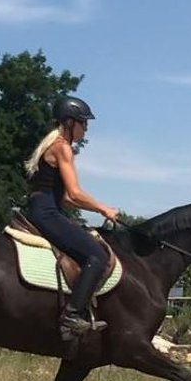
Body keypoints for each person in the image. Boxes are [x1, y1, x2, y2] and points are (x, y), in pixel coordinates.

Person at [24, 95, 120, 339]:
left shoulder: (52, 145)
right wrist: (103, 208)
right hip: (46, 213)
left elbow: (66, 198)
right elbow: (75, 194)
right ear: (69, 123)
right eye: (83, 123)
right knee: (97, 255)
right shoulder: (62, 147)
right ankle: (72, 316)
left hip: (44, 208)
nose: (86, 129)